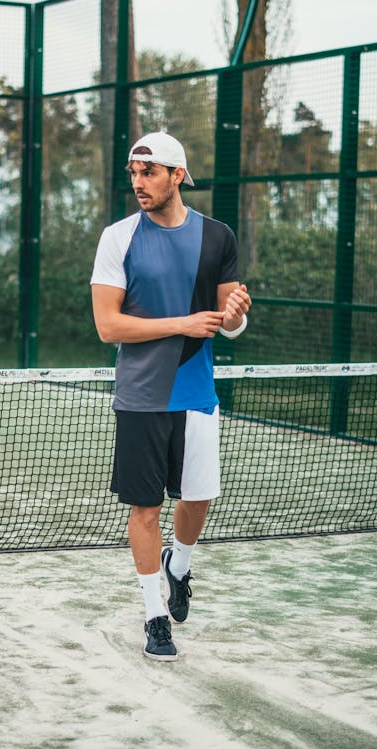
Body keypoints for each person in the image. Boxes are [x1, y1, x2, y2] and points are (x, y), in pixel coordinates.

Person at [90, 132, 251, 661]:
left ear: (177, 175)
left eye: (149, 173)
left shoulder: (217, 237)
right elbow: (108, 326)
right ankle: (155, 617)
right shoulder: (118, 237)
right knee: (144, 507)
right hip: (140, 396)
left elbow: (230, 323)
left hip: (197, 392)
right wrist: (182, 322)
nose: (138, 183)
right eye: (134, 174)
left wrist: (235, 317)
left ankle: (177, 566)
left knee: (197, 498)